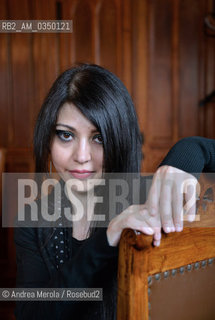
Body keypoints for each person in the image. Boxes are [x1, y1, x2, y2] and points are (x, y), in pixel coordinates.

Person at [14, 64, 215, 320]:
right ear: (48, 140)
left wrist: (192, 149)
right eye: (66, 135)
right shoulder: (31, 220)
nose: (82, 157)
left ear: (120, 140)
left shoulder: (149, 199)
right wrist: (107, 238)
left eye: (99, 138)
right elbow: (30, 314)